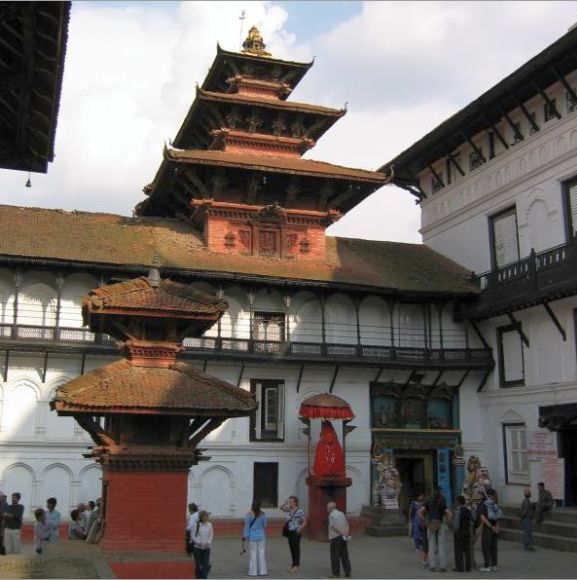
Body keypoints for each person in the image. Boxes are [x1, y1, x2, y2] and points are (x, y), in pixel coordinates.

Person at [417, 488, 452, 572]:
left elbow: (419, 512)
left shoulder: (428, 500)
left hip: (431, 524)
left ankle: (432, 566)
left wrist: (425, 521)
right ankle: (443, 566)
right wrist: (447, 521)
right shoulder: (442, 500)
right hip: (441, 523)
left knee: (431, 545)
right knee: (441, 545)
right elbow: (449, 513)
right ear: (440, 493)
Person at [279, 495, 308, 573]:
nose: (290, 503)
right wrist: (285, 503)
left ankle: (296, 566)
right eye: (289, 501)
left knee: (296, 549)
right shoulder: (288, 509)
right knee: (292, 549)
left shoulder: (300, 511)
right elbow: (280, 508)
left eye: (291, 501)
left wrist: (299, 529)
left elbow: (305, 522)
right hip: (289, 532)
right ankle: (293, 565)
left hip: (296, 532)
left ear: (295, 502)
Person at [242, 499, 268, 576]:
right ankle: (263, 571)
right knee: (262, 552)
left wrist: (245, 536)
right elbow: (265, 525)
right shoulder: (263, 514)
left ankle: (253, 572)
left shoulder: (249, 514)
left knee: (253, 553)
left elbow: (246, 526)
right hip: (261, 536)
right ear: (259, 506)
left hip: (252, 536)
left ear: (252, 505)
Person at [327, 501, 351, 579]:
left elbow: (333, 527)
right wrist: (346, 533)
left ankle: (336, 573)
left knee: (335, 556)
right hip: (344, 537)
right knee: (344, 555)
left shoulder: (331, 515)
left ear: (330, 508)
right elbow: (346, 524)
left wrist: (341, 533)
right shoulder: (341, 513)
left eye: (327, 507)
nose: (327, 509)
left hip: (335, 537)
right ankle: (348, 571)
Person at [478, 489, 501, 572]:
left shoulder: (483, 504)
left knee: (486, 547)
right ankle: (494, 565)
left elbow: (482, 517)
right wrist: (496, 527)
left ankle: (487, 565)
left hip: (488, 528)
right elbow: (498, 516)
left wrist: (491, 527)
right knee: (494, 547)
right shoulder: (494, 503)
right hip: (495, 528)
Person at [192, 510, 213, 579]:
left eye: (207, 516)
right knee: (198, 564)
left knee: (205, 564)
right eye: (205, 516)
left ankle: (204, 577)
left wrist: (208, 542)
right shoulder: (196, 525)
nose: (206, 517)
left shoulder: (210, 524)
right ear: (201, 517)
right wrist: (199, 542)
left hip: (207, 547)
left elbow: (211, 534)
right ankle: (198, 577)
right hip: (197, 547)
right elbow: (193, 536)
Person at [452, 495, 472, 572]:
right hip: (466, 531)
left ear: (459, 502)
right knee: (467, 550)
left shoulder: (458, 511)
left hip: (459, 532)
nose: (455, 503)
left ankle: (460, 567)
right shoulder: (468, 510)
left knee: (458, 550)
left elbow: (456, 524)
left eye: (456, 501)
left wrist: (455, 531)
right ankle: (468, 567)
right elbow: (471, 521)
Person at [408, 492, 427, 567]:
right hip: (416, 519)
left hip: (422, 519)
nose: (421, 497)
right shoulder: (413, 503)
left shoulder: (424, 503)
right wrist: (409, 519)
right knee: (416, 533)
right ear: (417, 497)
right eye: (420, 496)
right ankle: (417, 547)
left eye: (422, 496)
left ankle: (422, 545)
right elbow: (410, 511)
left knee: (422, 533)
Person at [0, 491, 7, 556]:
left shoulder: (4, 505)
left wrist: (2, 529)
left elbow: (4, 518)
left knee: (2, 540)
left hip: (2, 526)